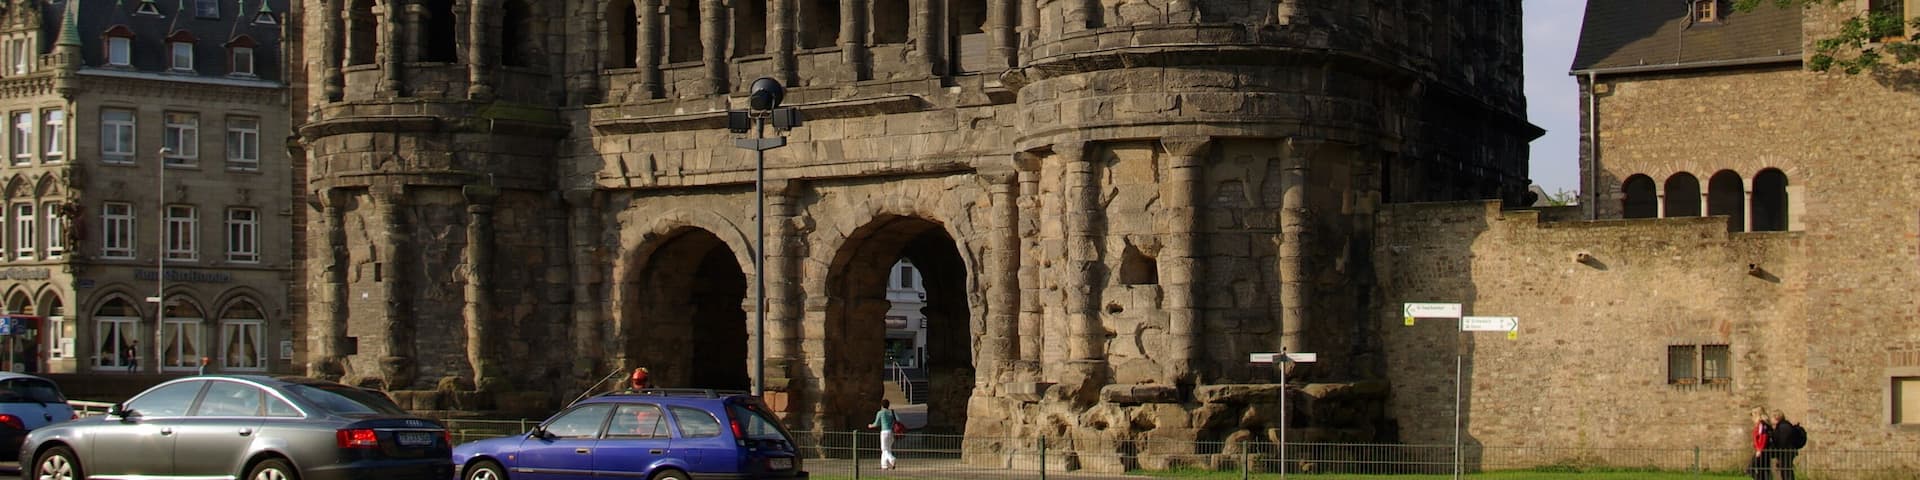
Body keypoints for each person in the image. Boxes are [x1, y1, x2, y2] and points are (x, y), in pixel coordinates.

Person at [867, 399, 898, 470]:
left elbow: (876, 423)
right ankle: (884, 465)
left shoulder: (880, 413)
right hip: (891, 432)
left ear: (881, 405)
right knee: (888, 449)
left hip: (884, 432)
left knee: (884, 449)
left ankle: (892, 459)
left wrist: (870, 425)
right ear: (888, 405)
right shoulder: (892, 412)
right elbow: (898, 420)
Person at [1771, 410, 1800, 480]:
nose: (1771, 419)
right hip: (1786, 452)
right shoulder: (1783, 425)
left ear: (1776, 417)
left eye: (1772, 417)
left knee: (1786, 472)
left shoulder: (1783, 427)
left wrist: (1779, 454)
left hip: (1786, 453)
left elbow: (1782, 442)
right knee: (1786, 471)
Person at [1748, 407, 1772, 480]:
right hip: (1762, 450)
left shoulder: (1762, 424)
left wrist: (1759, 449)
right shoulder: (1762, 424)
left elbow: (1763, 437)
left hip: (1762, 451)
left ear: (1757, 415)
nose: (1752, 418)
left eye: (1752, 416)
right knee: (1763, 470)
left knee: (1751, 468)